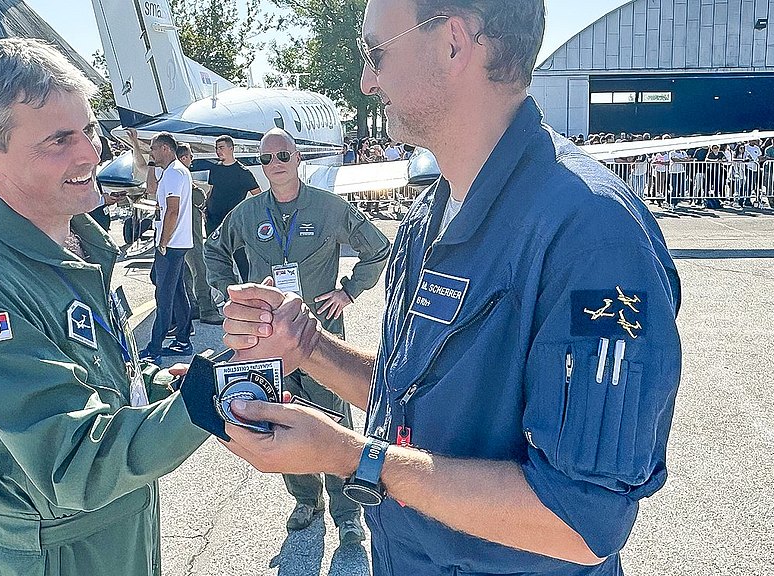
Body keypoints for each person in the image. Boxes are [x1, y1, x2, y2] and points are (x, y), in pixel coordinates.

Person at [218, 2, 682, 575]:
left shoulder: (596, 239)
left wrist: (352, 457)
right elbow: (414, 402)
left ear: (455, 43)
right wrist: (305, 346)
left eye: (374, 53)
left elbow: (581, 522)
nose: (366, 80)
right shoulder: (427, 217)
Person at [0, 38, 208, 575]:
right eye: (59, 139)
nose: (91, 153)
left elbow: (88, 381)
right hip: (59, 555)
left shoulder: (79, 245)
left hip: (123, 528)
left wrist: (161, 389)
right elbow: (77, 464)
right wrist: (211, 401)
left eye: (90, 130)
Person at [204, 128, 391, 543]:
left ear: (298, 158)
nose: (275, 165)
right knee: (281, 418)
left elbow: (377, 249)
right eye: (267, 159)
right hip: (266, 342)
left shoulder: (329, 208)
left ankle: (347, 511)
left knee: (335, 419)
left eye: (283, 155)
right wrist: (227, 296)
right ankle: (306, 499)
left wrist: (348, 290)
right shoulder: (247, 215)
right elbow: (213, 251)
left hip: (319, 337)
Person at [140, 132, 194, 363]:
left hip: (171, 244)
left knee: (164, 295)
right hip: (176, 243)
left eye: (153, 149)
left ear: (165, 148)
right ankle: (183, 338)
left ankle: (155, 347)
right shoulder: (174, 172)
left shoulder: (173, 174)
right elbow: (152, 188)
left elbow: (172, 210)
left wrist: (163, 242)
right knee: (177, 290)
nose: (151, 153)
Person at [175, 142, 224, 325]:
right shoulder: (184, 177)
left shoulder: (170, 175)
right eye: (189, 156)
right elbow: (198, 199)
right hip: (190, 234)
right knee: (200, 271)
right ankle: (207, 309)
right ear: (183, 158)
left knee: (187, 272)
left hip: (179, 235)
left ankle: (193, 306)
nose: (192, 160)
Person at [205, 135, 261, 282]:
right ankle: (221, 292)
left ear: (231, 148)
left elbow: (258, 197)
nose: (218, 151)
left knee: (241, 258)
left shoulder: (243, 173)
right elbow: (211, 191)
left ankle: (250, 287)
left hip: (234, 223)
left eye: (221, 148)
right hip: (213, 220)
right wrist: (205, 209)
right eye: (217, 148)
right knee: (215, 258)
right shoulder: (215, 169)